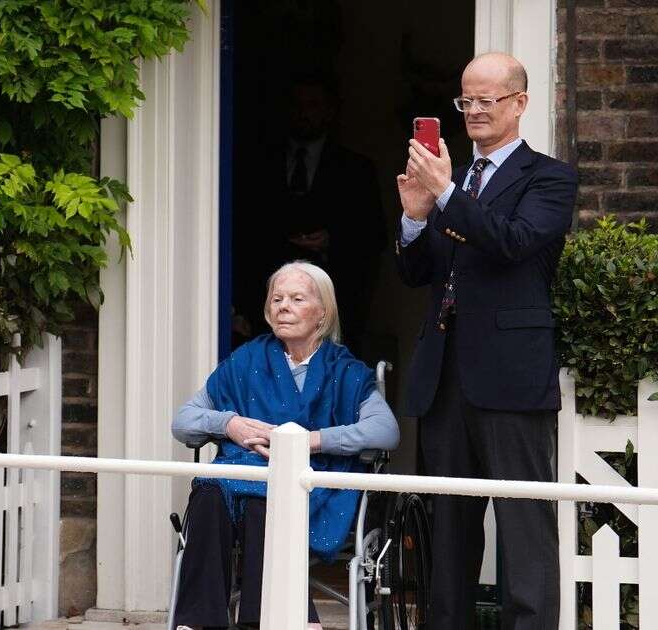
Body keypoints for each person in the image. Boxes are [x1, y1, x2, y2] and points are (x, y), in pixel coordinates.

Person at [395, 51, 577, 630]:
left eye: (485, 100)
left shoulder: (549, 177)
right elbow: (418, 274)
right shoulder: (455, 183)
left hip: (509, 374)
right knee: (449, 530)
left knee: (525, 529)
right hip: (445, 375)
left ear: (519, 104)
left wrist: (446, 195)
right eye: (464, 100)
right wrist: (416, 217)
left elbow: (511, 242)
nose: (472, 111)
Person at [170, 261, 400, 630]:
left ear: (322, 311)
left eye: (296, 298)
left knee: (268, 498)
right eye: (277, 299)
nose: (283, 306)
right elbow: (183, 422)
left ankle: (272, 621)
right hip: (239, 477)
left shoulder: (345, 370)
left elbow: (385, 431)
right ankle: (198, 623)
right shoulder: (246, 361)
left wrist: (313, 441)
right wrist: (228, 424)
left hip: (315, 483)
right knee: (209, 492)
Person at [234, 75, 386, 356]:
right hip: (264, 310)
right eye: (297, 104)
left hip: (332, 307)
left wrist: (332, 240)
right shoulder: (257, 163)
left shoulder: (356, 170)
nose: (304, 113)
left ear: (330, 110)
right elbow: (242, 229)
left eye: (313, 105)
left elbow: (373, 237)